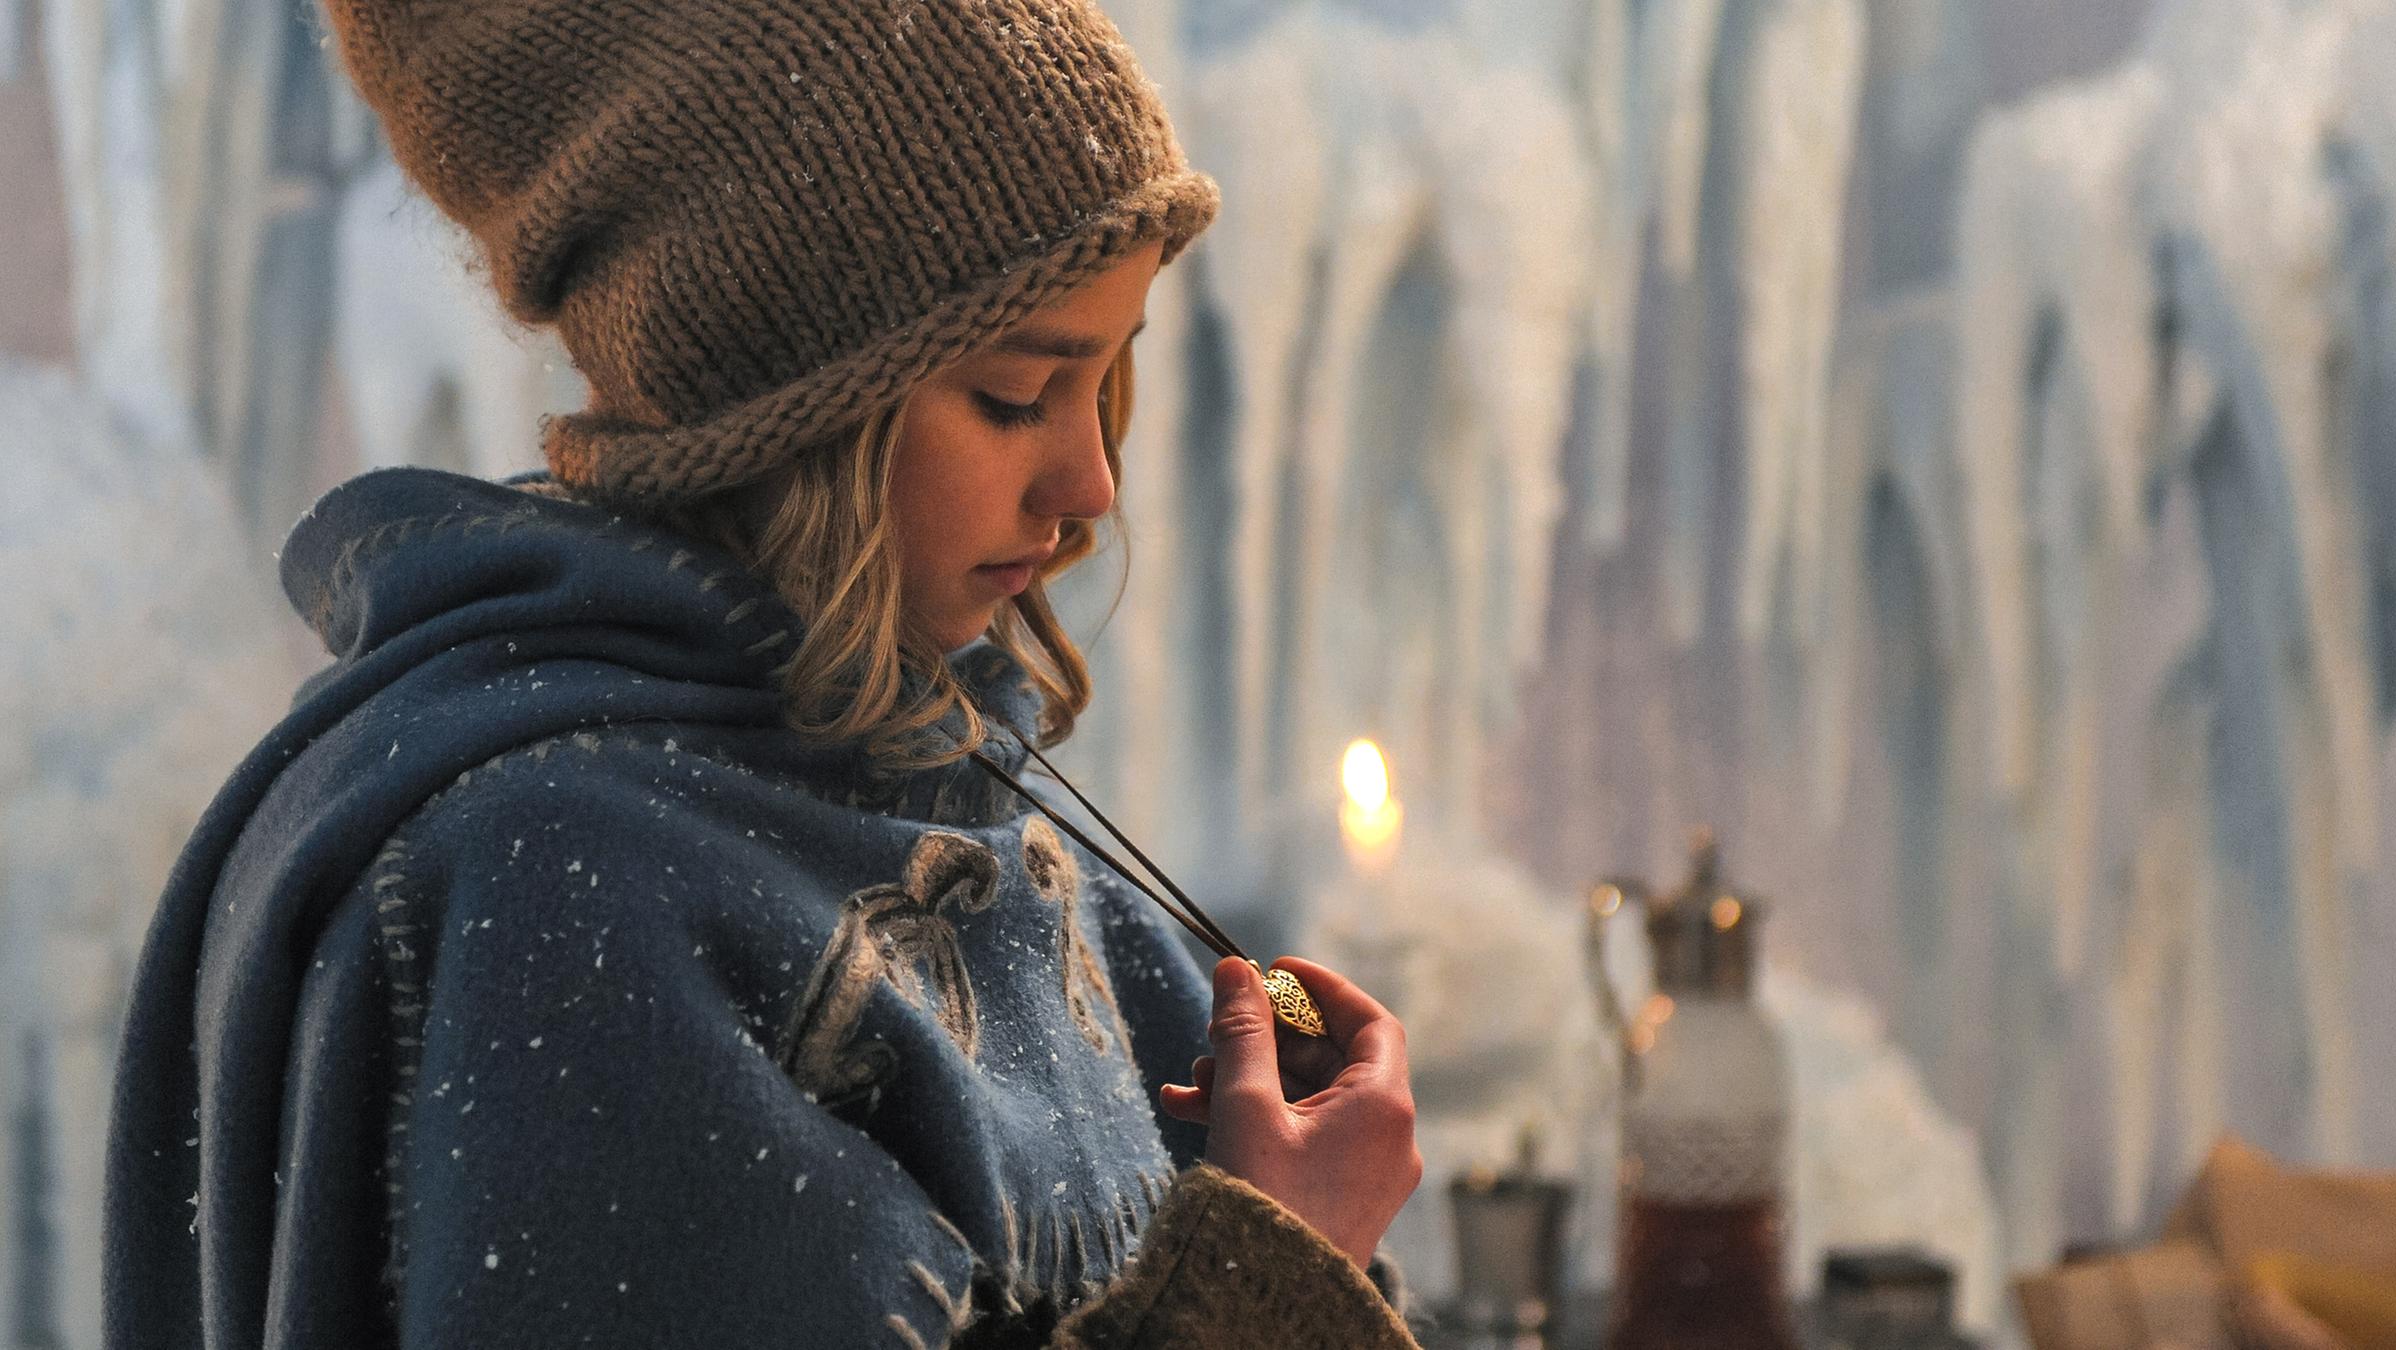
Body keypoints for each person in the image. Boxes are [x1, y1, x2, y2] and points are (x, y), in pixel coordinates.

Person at [101, 0, 1426, 1347]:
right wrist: (1274, 1272)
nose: (1091, 486)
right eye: (1021, 393)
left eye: (1111, 378)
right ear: (800, 396)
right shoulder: (577, 892)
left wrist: (1278, 1209)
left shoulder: (951, 784)